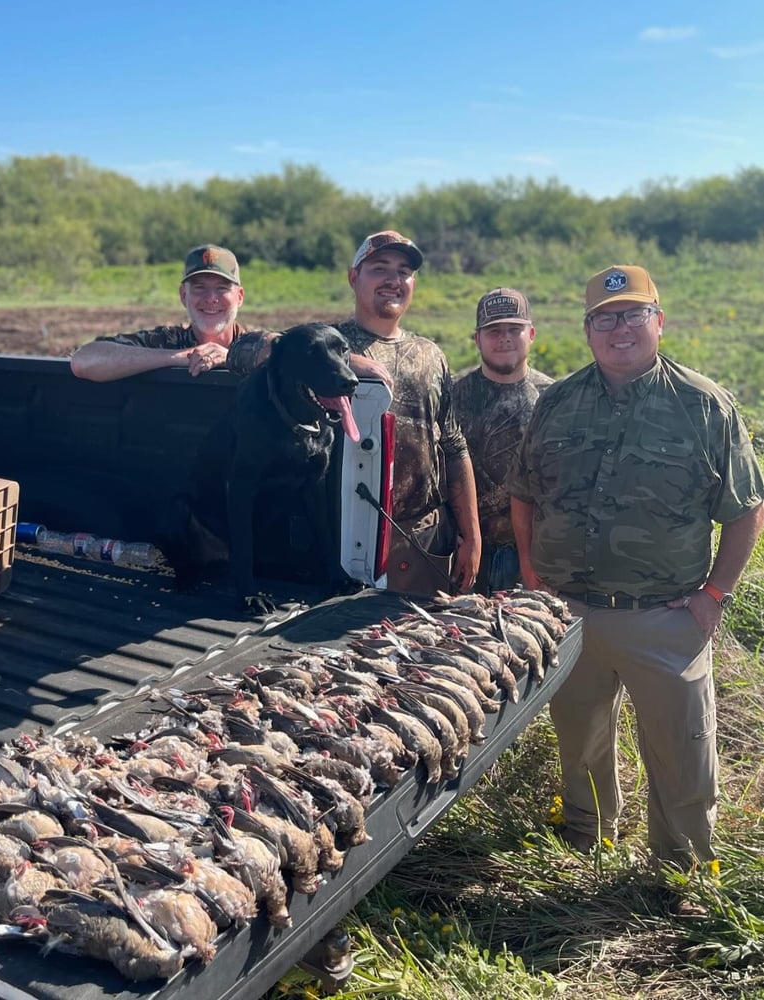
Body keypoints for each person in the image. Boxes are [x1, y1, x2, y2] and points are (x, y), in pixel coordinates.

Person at [508, 264, 764, 900]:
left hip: (665, 618)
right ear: (588, 330)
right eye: (604, 318)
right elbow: (523, 492)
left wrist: (713, 596)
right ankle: (589, 831)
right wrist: (534, 572)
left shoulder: (705, 405)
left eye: (631, 314)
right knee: (581, 732)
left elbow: (745, 509)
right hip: (569, 614)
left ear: (658, 321)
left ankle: (681, 871)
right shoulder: (558, 401)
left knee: (682, 751)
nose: (618, 328)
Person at [228, 230, 481, 596]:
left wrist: (471, 536)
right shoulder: (322, 344)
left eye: (403, 272)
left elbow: (454, 446)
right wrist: (350, 360)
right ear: (353, 277)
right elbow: (243, 351)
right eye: (380, 268)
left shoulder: (431, 355)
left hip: (421, 539)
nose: (393, 280)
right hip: (340, 540)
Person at [452, 288, 552, 594]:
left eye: (514, 329)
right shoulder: (454, 396)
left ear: (531, 334)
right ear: (477, 339)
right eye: (494, 331)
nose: (504, 338)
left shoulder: (554, 398)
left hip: (535, 555)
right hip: (466, 551)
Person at [70, 244, 251, 381]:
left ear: (240, 297)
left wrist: (232, 358)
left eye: (221, 288)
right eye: (199, 287)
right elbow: (84, 360)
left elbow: (278, 358)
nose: (211, 298)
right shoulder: (165, 341)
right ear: (183, 295)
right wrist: (182, 357)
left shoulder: (257, 344)